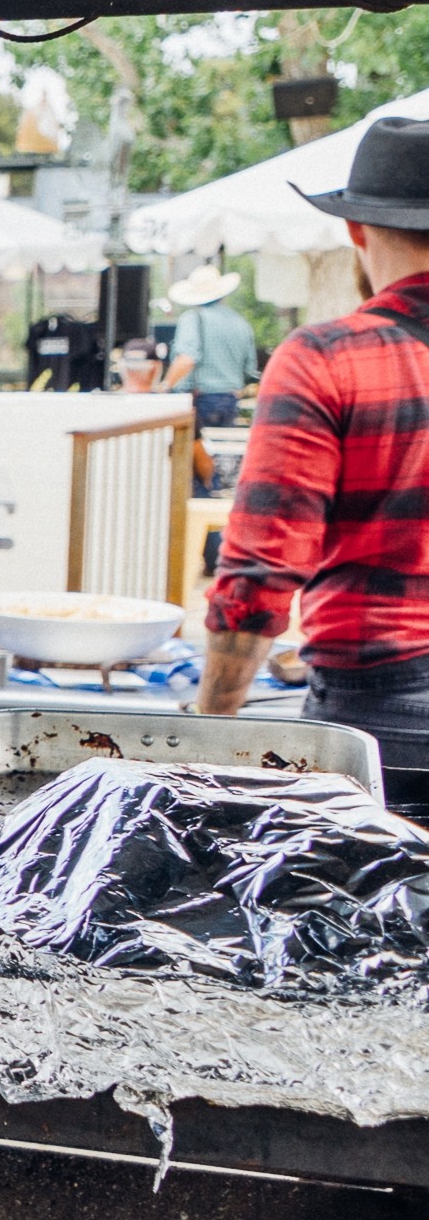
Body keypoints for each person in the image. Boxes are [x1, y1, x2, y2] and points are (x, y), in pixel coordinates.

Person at [198, 115, 429, 772]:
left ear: (356, 230)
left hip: (384, 711)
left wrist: (209, 737)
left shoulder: (328, 358)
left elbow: (259, 579)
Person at [165, 262, 261, 495]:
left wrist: (164, 386)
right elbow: (250, 369)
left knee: (197, 465)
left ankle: (200, 512)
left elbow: (187, 358)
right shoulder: (241, 323)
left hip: (200, 400)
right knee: (220, 465)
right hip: (229, 400)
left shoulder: (193, 319)